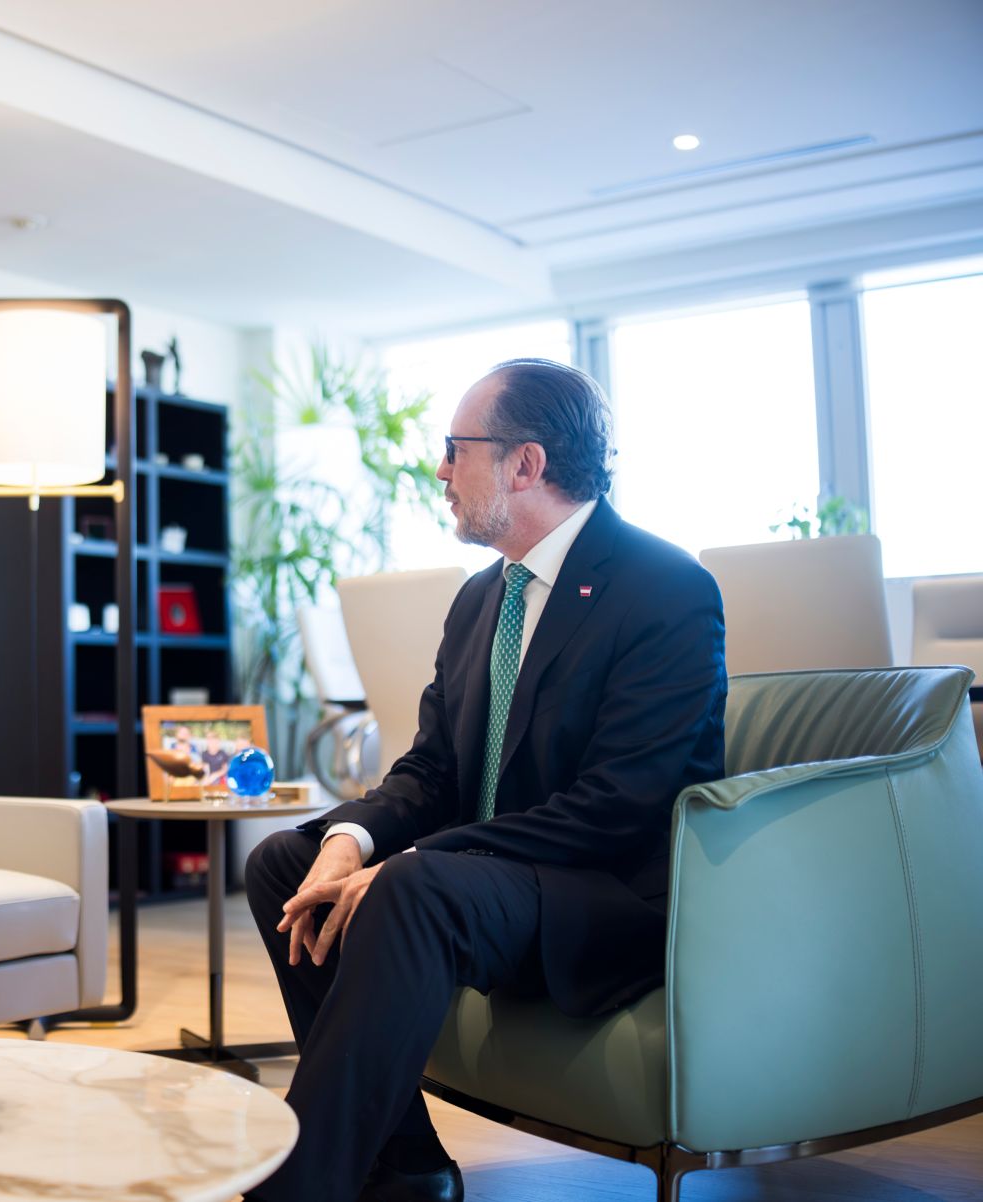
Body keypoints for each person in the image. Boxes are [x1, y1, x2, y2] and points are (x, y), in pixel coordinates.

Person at [243, 359, 726, 1202]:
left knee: (416, 883)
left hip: (603, 895)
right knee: (287, 862)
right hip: (487, 881)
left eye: (453, 449)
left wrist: (414, 858)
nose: (439, 470)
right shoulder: (479, 601)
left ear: (525, 465)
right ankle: (410, 1163)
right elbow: (432, 768)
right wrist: (351, 839)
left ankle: (299, 1187)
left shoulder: (664, 587)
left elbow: (621, 807)